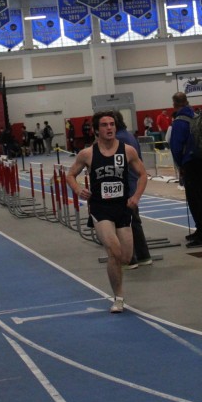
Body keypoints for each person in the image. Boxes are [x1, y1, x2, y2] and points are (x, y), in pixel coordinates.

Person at [65, 111, 147, 314]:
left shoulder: (127, 151)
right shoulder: (87, 154)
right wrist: (78, 190)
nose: (109, 128)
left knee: (126, 257)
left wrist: (136, 197)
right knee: (113, 250)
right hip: (100, 209)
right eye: (104, 125)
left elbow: (143, 174)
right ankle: (118, 298)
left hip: (122, 208)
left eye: (112, 124)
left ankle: (117, 277)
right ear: (96, 130)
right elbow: (70, 175)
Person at [169, 92, 202, 248]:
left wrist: (180, 166)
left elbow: (176, 147)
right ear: (187, 102)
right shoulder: (197, 116)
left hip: (191, 163)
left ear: (174, 104)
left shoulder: (179, 122)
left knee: (195, 199)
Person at [113, 111, 152, 269]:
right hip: (131, 182)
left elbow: (117, 167)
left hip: (125, 185)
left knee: (125, 223)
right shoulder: (129, 136)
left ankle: (130, 259)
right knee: (134, 221)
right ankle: (142, 256)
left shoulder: (119, 140)